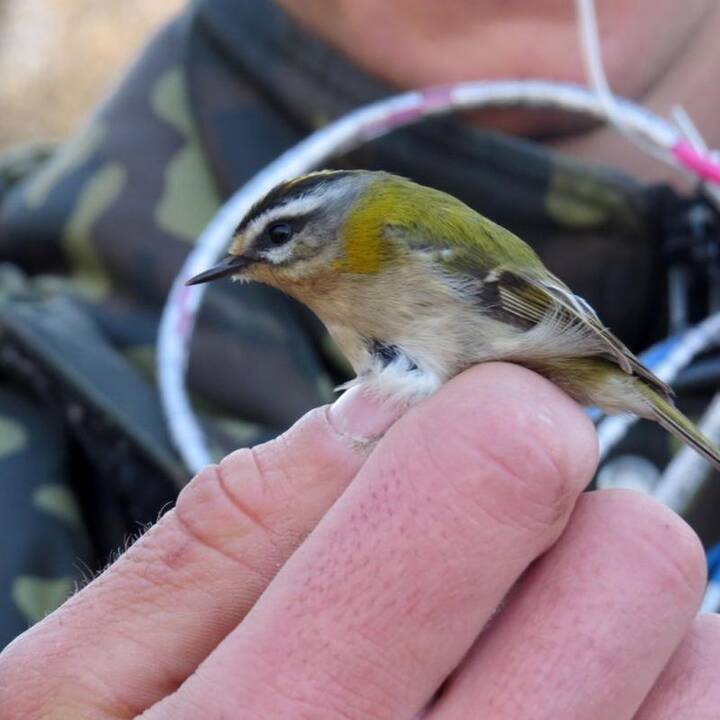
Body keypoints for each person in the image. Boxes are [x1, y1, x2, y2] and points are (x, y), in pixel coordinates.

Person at [1, 0, 719, 716]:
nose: (260, 263)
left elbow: (530, 303)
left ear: (328, 229)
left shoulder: (385, 243)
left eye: (279, 239)